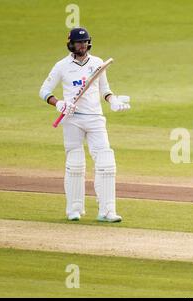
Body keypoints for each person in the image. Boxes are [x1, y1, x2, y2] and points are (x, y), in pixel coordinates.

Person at [39, 27, 131, 222]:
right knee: (75, 163)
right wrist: (59, 103)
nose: (82, 45)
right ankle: (74, 209)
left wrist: (112, 100)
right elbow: (44, 90)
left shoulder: (98, 63)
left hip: (95, 118)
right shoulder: (61, 66)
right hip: (72, 118)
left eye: (85, 42)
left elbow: (105, 90)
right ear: (70, 44)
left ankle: (107, 211)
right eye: (78, 42)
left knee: (106, 163)